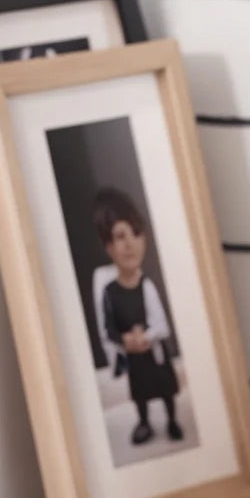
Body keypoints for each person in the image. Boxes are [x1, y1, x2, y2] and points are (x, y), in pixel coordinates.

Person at [93, 188, 183, 445]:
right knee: (141, 392)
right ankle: (144, 422)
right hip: (136, 360)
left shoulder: (146, 286)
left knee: (165, 389)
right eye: (120, 237)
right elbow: (107, 328)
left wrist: (147, 336)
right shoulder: (110, 292)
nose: (129, 243)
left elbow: (162, 325)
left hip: (154, 354)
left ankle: (171, 419)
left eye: (135, 233)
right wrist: (125, 340)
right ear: (108, 245)